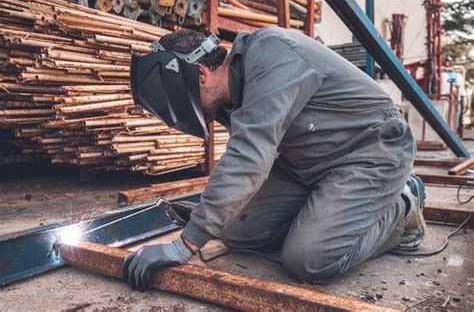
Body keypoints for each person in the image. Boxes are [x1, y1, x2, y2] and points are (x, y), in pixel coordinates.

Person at [123, 27, 426, 291]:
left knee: (308, 260)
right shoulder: (233, 92)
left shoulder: (273, 54)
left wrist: (185, 243)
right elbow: (252, 160)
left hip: (370, 151)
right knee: (234, 231)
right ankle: (330, 218)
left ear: (200, 75)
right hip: (308, 163)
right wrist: (207, 213)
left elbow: (248, 159)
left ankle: (402, 208)